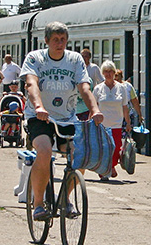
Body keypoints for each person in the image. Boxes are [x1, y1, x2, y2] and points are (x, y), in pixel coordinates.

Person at [22, 22, 103, 221]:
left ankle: (65, 199)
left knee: (80, 154)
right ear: (47, 41)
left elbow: (84, 87)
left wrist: (95, 110)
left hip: (67, 117)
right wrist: (39, 106)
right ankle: (39, 204)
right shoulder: (35, 58)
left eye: (63, 40)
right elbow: (31, 84)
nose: (60, 44)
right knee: (44, 150)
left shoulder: (75, 60)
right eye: (56, 40)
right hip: (39, 117)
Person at [93, 60, 132, 180]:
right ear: (102, 73)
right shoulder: (98, 88)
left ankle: (112, 165)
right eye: (106, 71)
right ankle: (105, 170)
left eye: (110, 71)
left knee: (116, 149)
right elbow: (94, 107)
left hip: (116, 124)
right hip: (102, 125)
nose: (108, 74)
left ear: (114, 73)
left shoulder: (121, 88)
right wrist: (91, 121)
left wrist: (128, 123)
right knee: (104, 149)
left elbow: (125, 107)